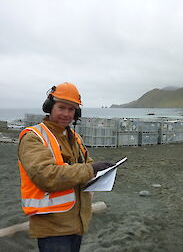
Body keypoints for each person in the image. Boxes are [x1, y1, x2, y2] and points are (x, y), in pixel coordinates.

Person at [18, 82, 113, 252]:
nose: (66, 114)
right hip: (52, 228)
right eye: (61, 107)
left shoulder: (75, 137)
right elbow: (46, 176)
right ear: (49, 107)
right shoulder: (33, 137)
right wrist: (90, 170)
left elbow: (86, 164)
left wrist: (103, 172)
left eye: (71, 109)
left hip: (76, 223)